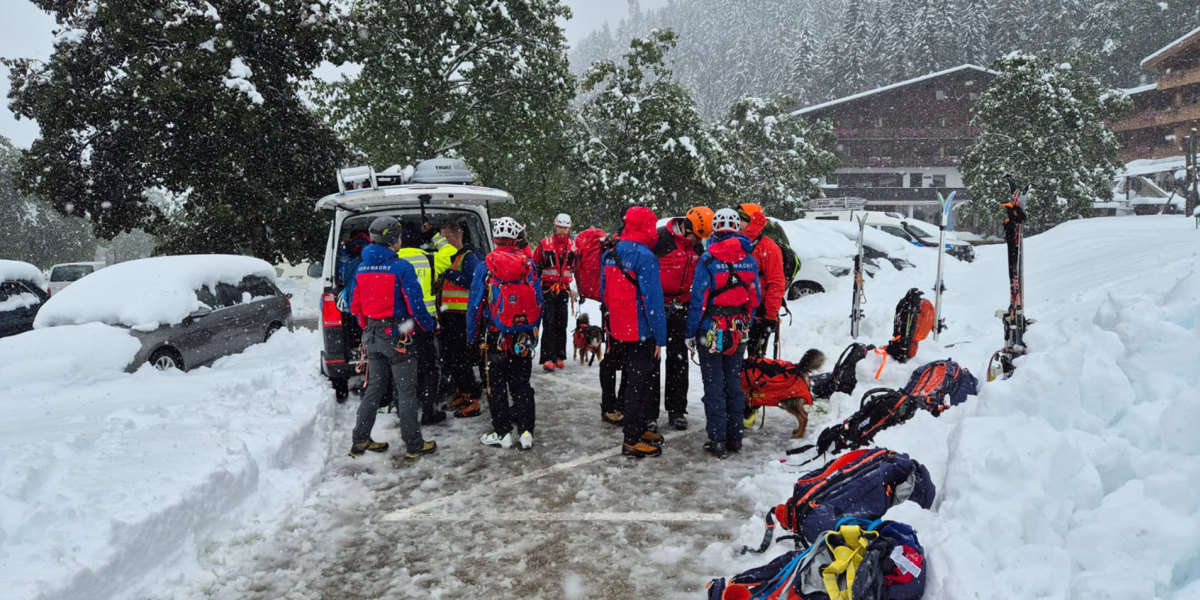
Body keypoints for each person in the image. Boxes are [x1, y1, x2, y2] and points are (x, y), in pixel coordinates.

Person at [347, 216, 438, 459]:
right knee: (406, 391)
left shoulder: (362, 268)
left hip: (372, 335)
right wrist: (428, 327)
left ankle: (360, 439)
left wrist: (368, 327)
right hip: (398, 335)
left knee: (374, 388)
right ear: (393, 238)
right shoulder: (401, 267)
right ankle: (414, 445)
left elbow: (354, 306)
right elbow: (416, 305)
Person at [685, 208, 761, 459]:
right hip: (738, 327)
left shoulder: (707, 260)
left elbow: (699, 300)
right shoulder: (750, 259)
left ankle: (717, 437)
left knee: (714, 383)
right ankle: (735, 436)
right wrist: (745, 321)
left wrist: (690, 332)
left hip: (713, 329)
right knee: (734, 382)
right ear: (737, 228)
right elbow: (754, 297)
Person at [467, 216, 544, 450]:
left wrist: (471, 336)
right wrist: (531, 330)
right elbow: (539, 302)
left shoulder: (486, 265)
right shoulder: (529, 265)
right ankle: (526, 431)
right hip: (522, 337)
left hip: (494, 336)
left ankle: (502, 433)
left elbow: (475, 306)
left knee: (496, 387)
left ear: (496, 239)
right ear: (517, 238)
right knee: (522, 385)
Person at [601, 205, 668, 458]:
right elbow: (653, 302)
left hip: (619, 328)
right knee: (638, 385)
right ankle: (632, 438)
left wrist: (614, 322)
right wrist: (660, 337)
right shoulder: (645, 256)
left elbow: (605, 292)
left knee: (632, 381)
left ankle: (638, 429)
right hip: (641, 331)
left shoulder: (611, 252)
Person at [647, 206, 713, 432]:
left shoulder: (696, 244)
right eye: (695, 234)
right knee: (651, 359)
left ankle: (677, 410)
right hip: (657, 306)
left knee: (679, 360)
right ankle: (649, 413)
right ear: (687, 226)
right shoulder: (660, 238)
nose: (697, 240)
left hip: (680, 307)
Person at [395, 220, 455, 425]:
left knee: (402, 368)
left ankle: (402, 410)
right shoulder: (430, 260)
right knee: (430, 367)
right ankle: (429, 410)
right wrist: (435, 235)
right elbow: (449, 251)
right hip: (425, 323)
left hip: (399, 325)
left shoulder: (391, 261)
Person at [737, 203, 786, 428]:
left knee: (755, 362)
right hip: (736, 312)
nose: (739, 224)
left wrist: (770, 316)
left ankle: (751, 406)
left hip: (759, 315)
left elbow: (777, 283)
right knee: (735, 361)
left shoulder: (769, 248)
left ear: (753, 221)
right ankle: (738, 400)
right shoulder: (734, 244)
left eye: (742, 220)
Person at [435, 216, 485, 418]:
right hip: (449, 316)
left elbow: (473, 282)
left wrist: (448, 274)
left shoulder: (470, 257)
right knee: (453, 359)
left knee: (463, 359)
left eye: (445, 238)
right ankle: (461, 393)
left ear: (457, 237)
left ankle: (472, 398)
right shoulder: (452, 257)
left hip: (463, 317)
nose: (443, 243)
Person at [534, 213, 577, 372]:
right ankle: (548, 357)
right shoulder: (545, 244)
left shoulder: (573, 246)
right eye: (560, 227)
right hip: (548, 290)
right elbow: (535, 265)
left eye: (565, 228)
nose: (562, 231)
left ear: (569, 228)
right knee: (549, 323)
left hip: (564, 291)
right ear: (555, 226)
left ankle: (559, 355)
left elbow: (577, 269)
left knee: (562, 323)